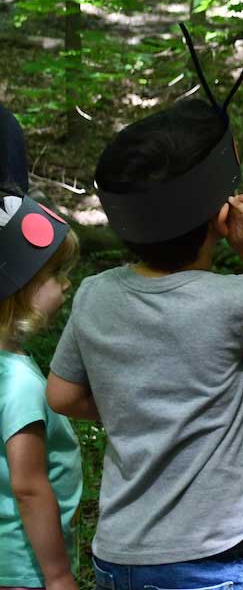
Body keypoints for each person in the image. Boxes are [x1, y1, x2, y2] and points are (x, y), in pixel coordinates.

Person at [46, 97, 243, 590]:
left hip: (119, 554)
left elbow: (61, 396)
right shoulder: (231, 301)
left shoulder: (94, 294)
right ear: (220, 218)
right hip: (211, 557)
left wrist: (138, 403)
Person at [0, 189, 80, 590]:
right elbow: (29, 487)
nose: (65, 286)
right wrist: (58, 574)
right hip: (26, 568)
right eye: (53, 275)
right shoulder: (18, 384)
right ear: (17, 291)